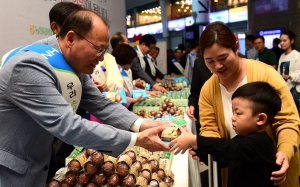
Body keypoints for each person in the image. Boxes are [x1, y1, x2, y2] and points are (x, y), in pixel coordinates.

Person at [0, 9, 169, 186]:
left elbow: (101, 103)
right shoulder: (30, 66)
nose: (102, 58)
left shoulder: (69, 59)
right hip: (12, 172)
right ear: (71, 38)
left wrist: (142, 124)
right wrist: (135, 140)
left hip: (41, 160)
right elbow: (69, 125)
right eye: (98, 49)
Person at [191, 22, 299, 187]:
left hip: (273, 173)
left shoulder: (266, 75)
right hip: (238, 175)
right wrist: (207, 147)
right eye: (209, 61)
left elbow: (287, 120)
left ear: (236, 47)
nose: (218, 66)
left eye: (223, 58)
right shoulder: (208, 90)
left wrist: (285, 151)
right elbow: (209, 128)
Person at [171, 81, 282, 187]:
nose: (232, 117)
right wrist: (198, 148)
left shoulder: (259, 143)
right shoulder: (242, 139)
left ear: (261, 119)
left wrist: (195, 140)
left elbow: (226, 147)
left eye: (238, 113)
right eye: (233, 112)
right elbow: (222, 159)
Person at [277, 30, 300, 111]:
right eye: (280, 41)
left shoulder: (296, 55)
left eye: (284, 40)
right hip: (284, 90)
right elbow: (279, 73)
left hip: (294, 91)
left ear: (292, 41)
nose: (281, 43)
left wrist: (290, 76)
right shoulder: (282, 56)